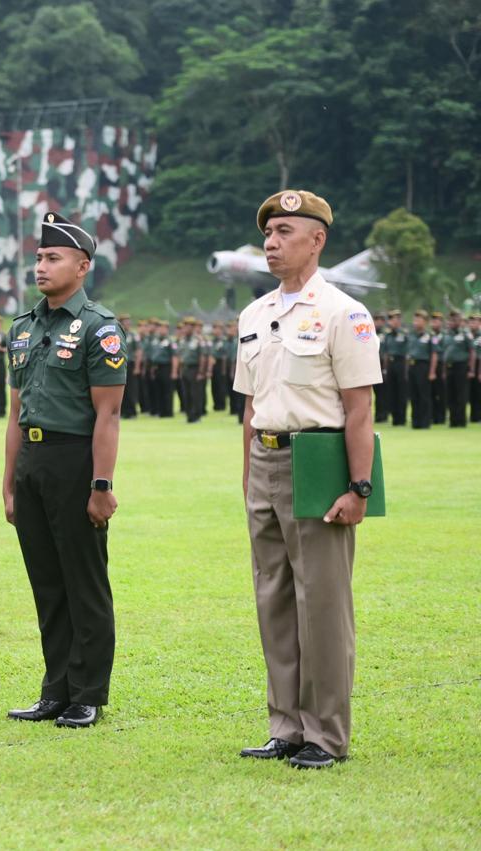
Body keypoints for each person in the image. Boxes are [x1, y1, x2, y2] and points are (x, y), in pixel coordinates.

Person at [234, 190, 381, 769]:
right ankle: (286, 725)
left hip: (317, 463)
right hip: (265, 463)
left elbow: (359, 406)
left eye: (285, 232)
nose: (271, 243)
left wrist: (358, 486)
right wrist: (247, 477)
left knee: (321, 603)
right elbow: (249, 408)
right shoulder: (253, 314)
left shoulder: (344, 312)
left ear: (317, 240)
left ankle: (325, 734)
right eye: (268, 233)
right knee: (273, 600)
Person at [3, 211, 124, 728]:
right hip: (32, 461)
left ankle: (88, 692)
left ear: (82, 266)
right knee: (47, 583)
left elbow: (108, 414)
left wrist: (101, 484)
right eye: (38, 257)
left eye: (53, 258)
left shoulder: (99, 327)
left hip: (76, 461)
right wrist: (9, 482)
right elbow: (15, 411)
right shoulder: (23, 328)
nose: (41, 266)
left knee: (84, 581)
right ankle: (56, 688)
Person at [441, 310, 471, 427]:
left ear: (459, 321)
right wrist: (443, 371)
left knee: (461, 395)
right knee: (450, 394)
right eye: (450, 320)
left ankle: (461, 420)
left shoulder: (465, 334)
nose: (451, 322)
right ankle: (453, 420)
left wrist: (471, 369)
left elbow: (472, 352)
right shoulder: (446, 335)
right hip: (449, 367)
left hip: (461, 366)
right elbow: (445, 354)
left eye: (454, 320)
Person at [407, 309, 434, 429]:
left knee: (424, 395)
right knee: (414, 394)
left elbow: (434, 354)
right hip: (412, 366)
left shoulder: (430, 336)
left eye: (419, 319)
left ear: (425, 322)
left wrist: (432, 371)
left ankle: (425, 422)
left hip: (423, 366)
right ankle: (415, 422)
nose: (416, 322)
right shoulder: (411, 335)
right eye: (415, 319)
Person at [381, 309, 408, 426]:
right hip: (390, 365)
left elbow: (408, 353)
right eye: (392, 319)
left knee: (401, 392)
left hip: (401, 363)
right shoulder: (387, 335)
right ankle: (394, 418)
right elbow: (386, 353)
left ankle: (402, 418)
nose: (394, 322)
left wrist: (407, 370)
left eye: (396, 319)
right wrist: (385, 369)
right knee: (391, 392)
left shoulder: (404, 334)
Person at [119, 314, 139, 418]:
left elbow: (138, 351)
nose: (128, 324)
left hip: (130, 363)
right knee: (122, 389)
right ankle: (123, 411)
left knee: (131, 388)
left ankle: (132, 412)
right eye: (126, 322)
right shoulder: (117, 334)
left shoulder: (133, 335)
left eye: (129, 322)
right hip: (119, 363)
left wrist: (137, 366)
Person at [429, 311, 446, 424]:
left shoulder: (445, 336)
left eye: (437, 321)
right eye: (433, 320)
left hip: (442, 365)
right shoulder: (430, 336)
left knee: (442, 393)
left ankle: (441, 416)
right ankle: (433, 416)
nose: (435, 323)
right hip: (430, 365)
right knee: (431, 392)